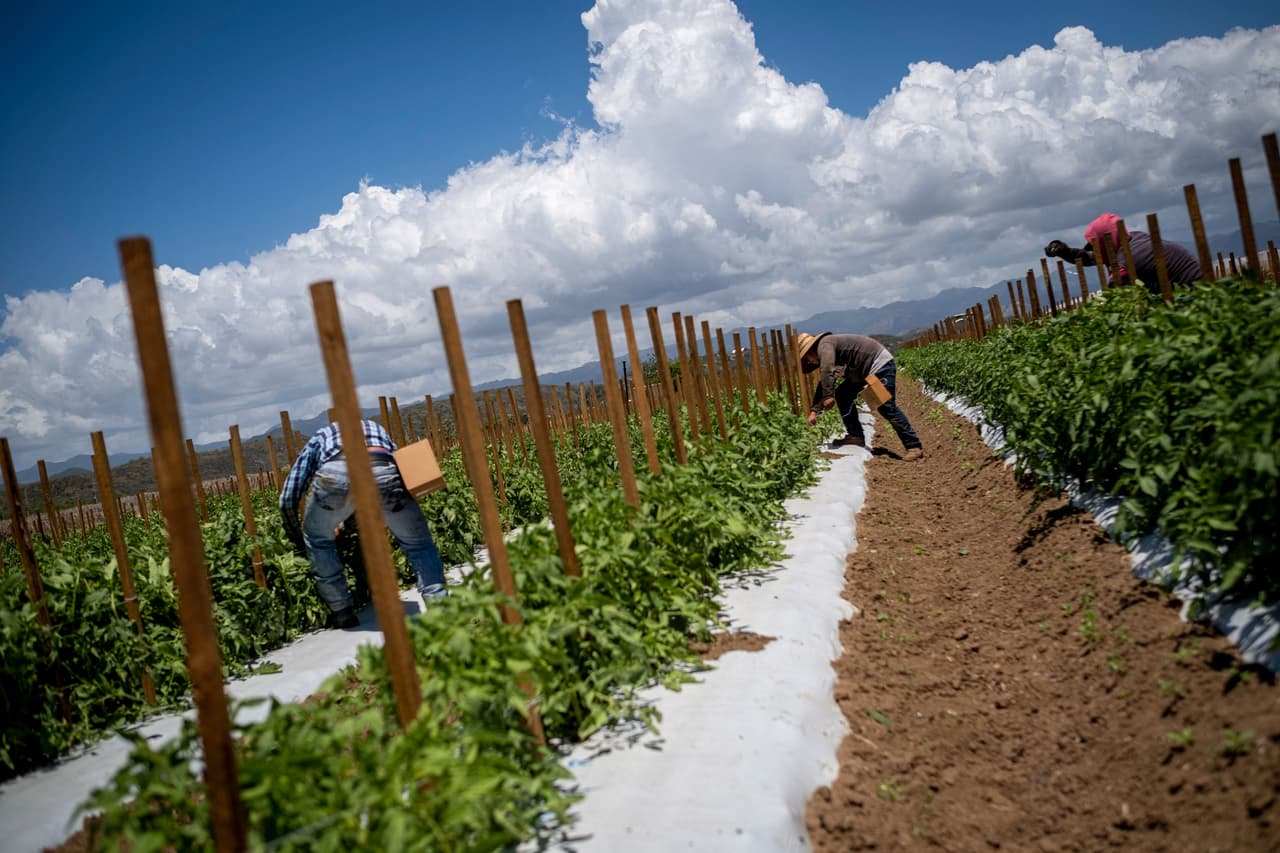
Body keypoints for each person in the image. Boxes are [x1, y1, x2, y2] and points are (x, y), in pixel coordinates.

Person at [279, 418, 448, 629]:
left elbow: (288, 498)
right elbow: (399, 471)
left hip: (336, 473)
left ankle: (341, 611)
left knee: (319, 540)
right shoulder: (376, 428)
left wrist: (299, 537)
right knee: (418, 544)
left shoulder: (321, 436)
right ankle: (439, 606)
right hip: (384, 467)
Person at [797, 332, 924, 460]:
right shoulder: (828, 348)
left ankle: (913, 446)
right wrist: (814, 411)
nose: (810, 361)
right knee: (843, 395)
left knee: (886, 406)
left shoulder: (825, 345)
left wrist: (828, 396)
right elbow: (825, 381)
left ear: (810, 350)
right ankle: (855, 436)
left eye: (807, 358)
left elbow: (827, 371)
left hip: (879, 365)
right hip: (861, 371)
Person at [1044, 212, 1202, 294]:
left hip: (1193, 295)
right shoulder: (1132, 240)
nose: (1094, 249)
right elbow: (1092, 257)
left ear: (1105, 243)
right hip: (1198, 286)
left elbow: (1116, 297)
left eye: (1095, 244)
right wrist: (1064, 251)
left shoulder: (1126, 260)